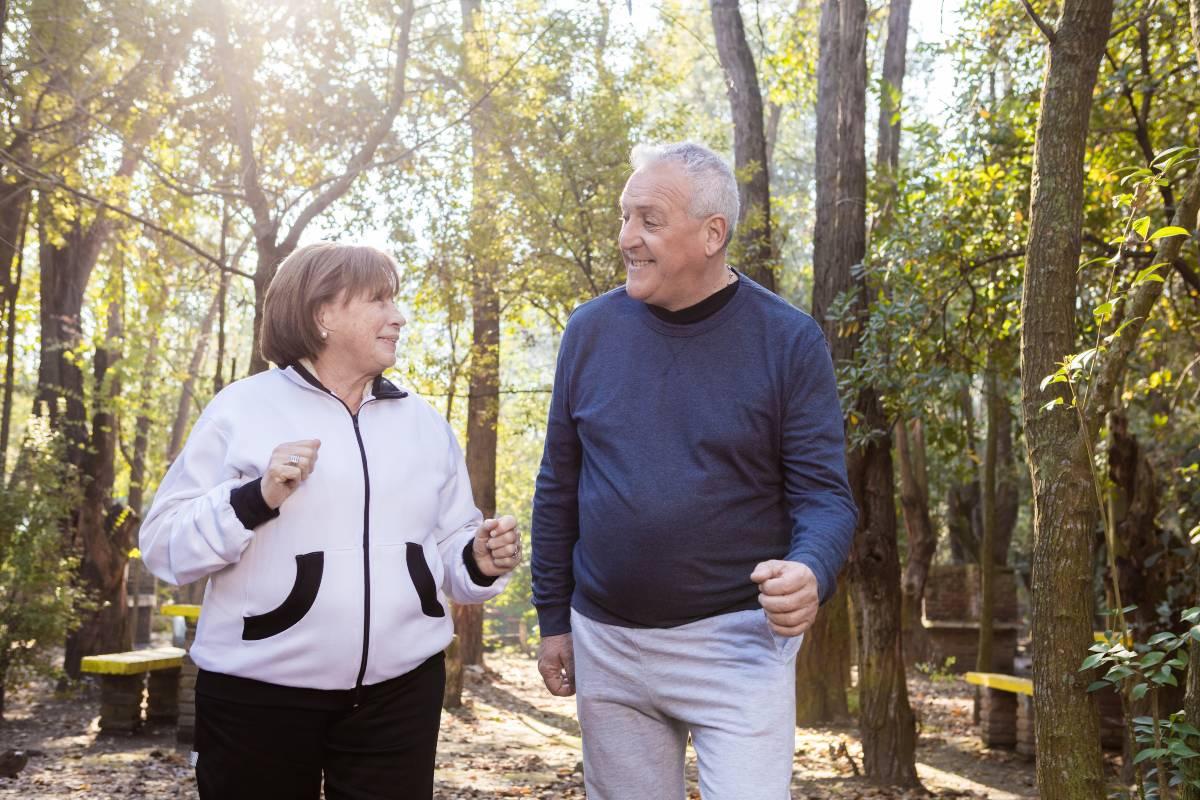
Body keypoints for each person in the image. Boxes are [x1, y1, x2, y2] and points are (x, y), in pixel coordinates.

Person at [530, 142, 858, 799]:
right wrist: (553, 621)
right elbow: (558, 486)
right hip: (609, 646)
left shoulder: (788, 340)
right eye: (625, 218)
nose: (627, 238)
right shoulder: (589, 332)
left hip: (737, 648)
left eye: (649, 221)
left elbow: (825, 499)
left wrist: (810, 569)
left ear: (713, 234)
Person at [140, 242, 521, 800]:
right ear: (323, 314)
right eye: (379, 300)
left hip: (400, 694)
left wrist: (477, 561)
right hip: (259, 695)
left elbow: (446, 552)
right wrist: (253, 498)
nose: (399, 316)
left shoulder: (422, 423)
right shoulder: (241, 410)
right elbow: (164, 549)